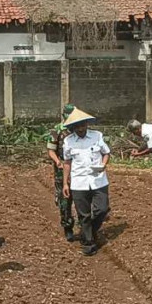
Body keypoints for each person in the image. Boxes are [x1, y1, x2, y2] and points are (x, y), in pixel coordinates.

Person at [62, 108, 111, 256]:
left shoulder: (97, 136)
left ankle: (89, 231)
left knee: (102, 209)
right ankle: (88, 243)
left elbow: (106, 153)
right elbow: (67, 162)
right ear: (73, 128)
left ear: (87, 125)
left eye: (83, 125)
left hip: (98, 181)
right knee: (83, 215)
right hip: (79, 182)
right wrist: (65, 183)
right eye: (77, 126)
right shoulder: (68, 141)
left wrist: (103, 165)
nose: (81, 129)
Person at [46, 103, 77, 242]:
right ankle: (67, 226)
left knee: (82, 198)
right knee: (65, 200)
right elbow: (51, 150)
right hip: (61, 169)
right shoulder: (57, 130)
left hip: (79, 169)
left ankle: (86, 226)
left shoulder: (79, 128)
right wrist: (57, 161)